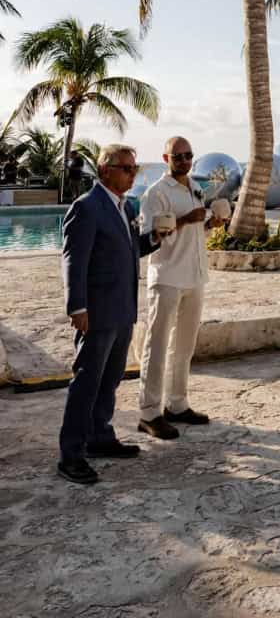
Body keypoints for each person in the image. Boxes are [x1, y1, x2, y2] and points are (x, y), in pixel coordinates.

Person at [58, 144, 163, 485]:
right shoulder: (86, 207)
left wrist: (155, 238)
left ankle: (99, 437)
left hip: (123, 310)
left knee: (110, 379)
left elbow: (130, 250)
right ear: (105, 170)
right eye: (127, 168)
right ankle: (70, 455)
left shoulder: (124, 206)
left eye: (135, 169)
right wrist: (77, 306)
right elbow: (74, 259)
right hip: (98, 312)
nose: (133, 175)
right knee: (86, 382)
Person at [137, 136, 224, 440]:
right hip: (167, 277)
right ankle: (149, 412)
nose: (185, 161)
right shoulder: (155, 194)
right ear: (165, 158)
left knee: (184, 346)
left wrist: (210, 224)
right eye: (178, 157)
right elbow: (151, 236)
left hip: (195, 276)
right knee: (157, 345)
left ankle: (177, 404)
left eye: (189, 156)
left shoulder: (194, 188)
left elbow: (196, 228)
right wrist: (186, 220)